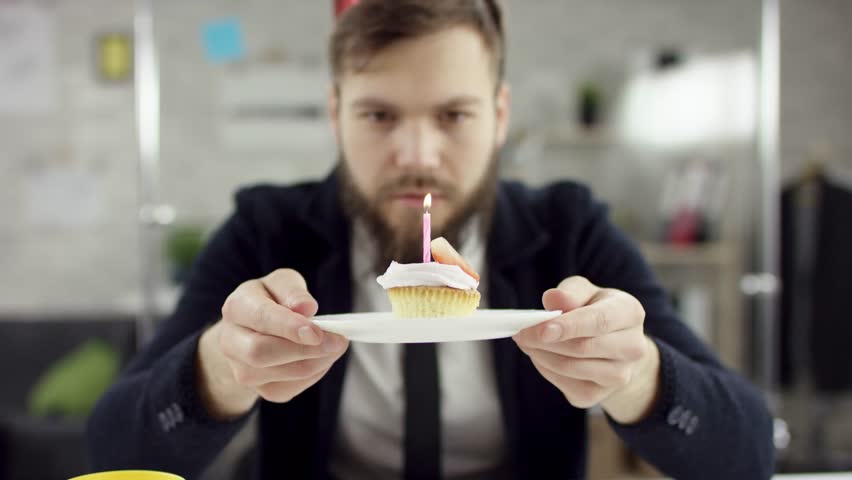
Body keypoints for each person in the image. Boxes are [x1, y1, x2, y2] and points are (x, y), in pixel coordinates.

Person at [87, 1, 775, 479]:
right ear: (335, 113)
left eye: (454, 114)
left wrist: (640, 375)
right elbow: (109, 451)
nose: (416, 153)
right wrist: (218, 370)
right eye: (379, 114)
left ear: (500, 115)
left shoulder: (570, 230)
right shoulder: (267, 231)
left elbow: (747, 453)